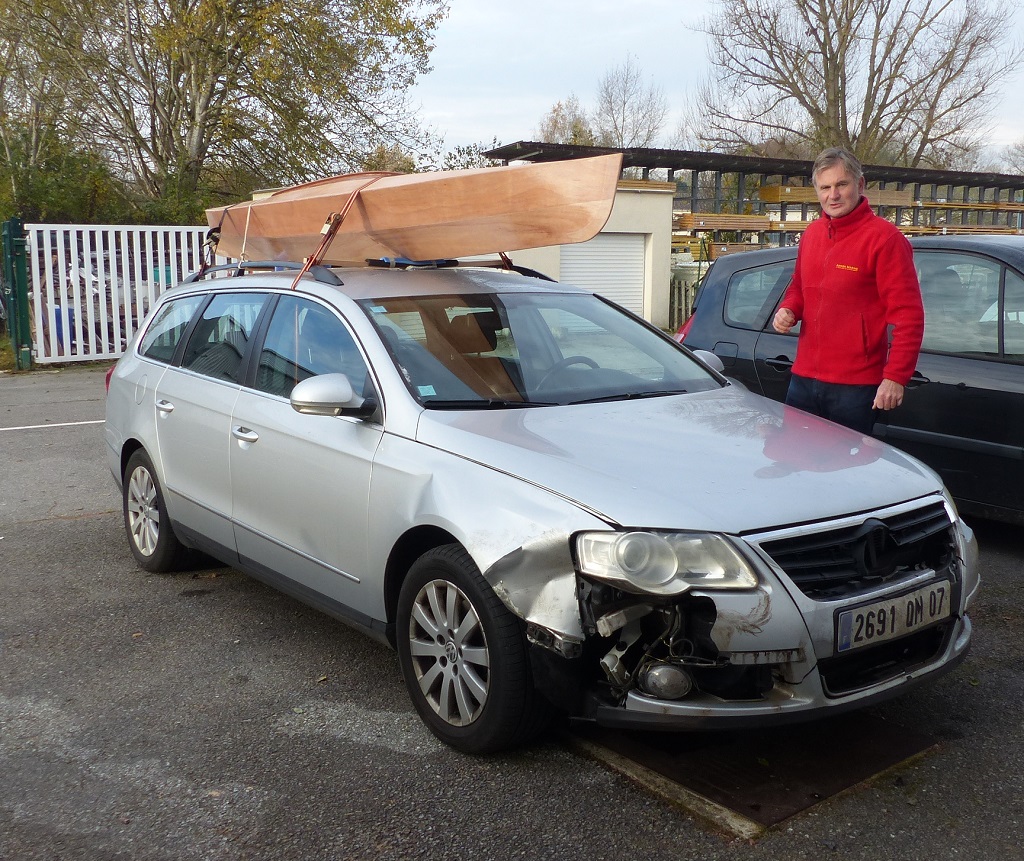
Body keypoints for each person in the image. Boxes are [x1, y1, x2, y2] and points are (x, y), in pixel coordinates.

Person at [773, 147, 924, 434]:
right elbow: (799, 287)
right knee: (797, 459)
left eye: (841, 184)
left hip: (856, 387)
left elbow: (908, 316)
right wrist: (789, 309)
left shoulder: (885, 240)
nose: (834, 195)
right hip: (803, 379)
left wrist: (895, 377)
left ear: (860, 184)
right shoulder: (811, 234)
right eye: (825, 187)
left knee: (848, 475)